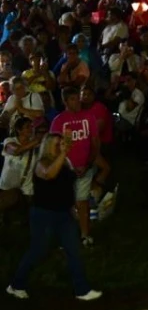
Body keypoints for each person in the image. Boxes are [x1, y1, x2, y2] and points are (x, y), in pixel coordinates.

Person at [6, 132, 102, 301]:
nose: (60, 147)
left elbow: (65, 186)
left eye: (62, 144)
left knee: (73, 250)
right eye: (57, 144)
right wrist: (64, 154)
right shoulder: (42, 163)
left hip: (64, 213)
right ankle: (16, 284)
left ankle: (82, 290)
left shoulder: (65, 162)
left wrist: (72, 207)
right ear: (48, 146)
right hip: (44, 213)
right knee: (38, 250)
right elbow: (49, 174)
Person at [49, 86, 111, 247]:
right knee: (66, 204)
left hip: (85, 167)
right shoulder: (59, 121)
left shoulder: (88, 117)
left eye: (78, 98)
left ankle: (85, 234)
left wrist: (88, 164)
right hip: (66, 169)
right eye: (73, 99)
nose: (78, 102)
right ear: (65, 101)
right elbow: (53, 147)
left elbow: (95, 142)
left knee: (82, 201)